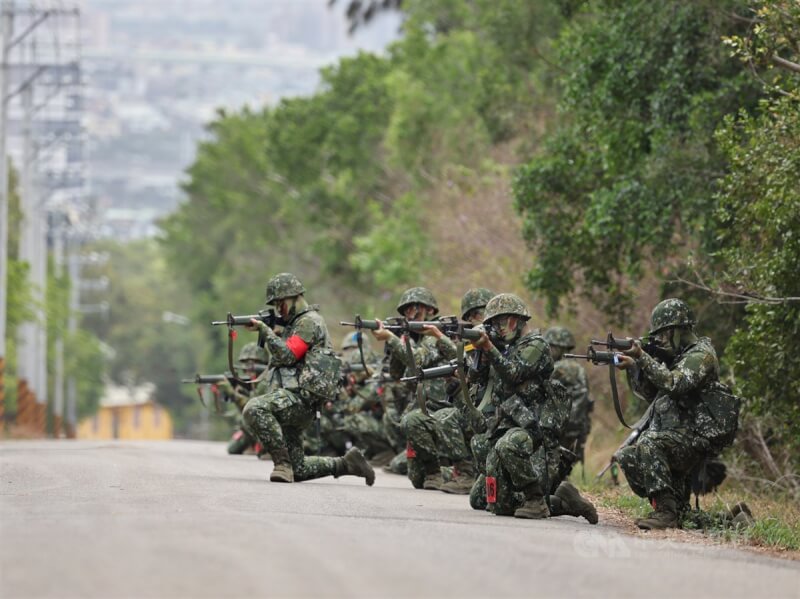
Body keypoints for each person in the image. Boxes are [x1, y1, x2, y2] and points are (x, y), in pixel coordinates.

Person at [470, 293, 597, 522]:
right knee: (488, 501)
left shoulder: (536, 345)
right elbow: (476, 379)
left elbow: (513, 373)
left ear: (514, 320)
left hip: (533, 430)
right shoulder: (505, 347)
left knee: (508, 445)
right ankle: (560, 501)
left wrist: (490, 347)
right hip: (507, 425)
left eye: (499, 323)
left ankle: (537, 499)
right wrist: (482, 352)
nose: (497, 329)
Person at [242, 273, 374, 485]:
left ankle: (282, 464)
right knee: (300, 469)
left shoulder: (309, 322)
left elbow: (287, 355)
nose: (278, 309)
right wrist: (273, 330)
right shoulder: (295, 324)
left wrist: (265, 331)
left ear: (294, 297)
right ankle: (347, 464)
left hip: (299, 400)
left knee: (254, 408)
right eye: (275, 305)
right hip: (297, 399)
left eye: (280, 303)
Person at [614, 298, 725, 530]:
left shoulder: (701, 355)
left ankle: (666, 512)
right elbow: (652, 393)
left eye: (663, 335)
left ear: (677, 330)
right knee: (627, 457)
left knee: (648, 443)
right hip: (675, 437)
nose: (661, 341)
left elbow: (674, 383)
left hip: (695, 439)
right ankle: (731, 519)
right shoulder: (678, 357)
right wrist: (634, 367)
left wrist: (643, 357)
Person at [371, 286, 461, 490]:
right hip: (423, 405)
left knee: (410, 426)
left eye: (416, 309)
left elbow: (418, 360)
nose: (411, 314)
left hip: (441, 406)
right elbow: (396, 373)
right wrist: (397, 340)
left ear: (430, 310)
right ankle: (439, 472)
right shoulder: (414, 338)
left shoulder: (436, 335)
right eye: (407, 311)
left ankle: (452, 471)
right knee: (417, 478)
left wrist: (392, 339)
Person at [419, 287, 494, 494]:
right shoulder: (471, 341)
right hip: (478, 409)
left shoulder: (495, 337)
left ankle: (468, 474)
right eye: (471, 316)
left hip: (493, 413)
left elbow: (472, 366)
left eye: (479, 313)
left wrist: (440, 338)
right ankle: (462, 472)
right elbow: (469, 370)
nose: (475, 320)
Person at [544, 326, 593, 467]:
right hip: (579, 428)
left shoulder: (558, 368)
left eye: (550, 347)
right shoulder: (579, 368)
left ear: (558, 347)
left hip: (560, 427)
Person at [220, 342, 269, 456]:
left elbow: (252, 409)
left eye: (252, 364)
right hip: (255, 427)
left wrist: (233, 394)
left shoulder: (265, 382)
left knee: (245, 422)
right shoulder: (253, 383)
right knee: (233, 448)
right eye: (245, 364)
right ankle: (255, 445)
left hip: (267, 425)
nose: (248, 368)